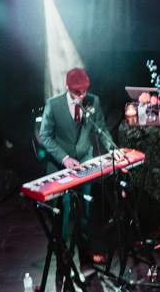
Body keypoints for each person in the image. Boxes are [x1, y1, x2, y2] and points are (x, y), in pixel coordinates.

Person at [37, 67, 115, 262]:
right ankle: (63, 253)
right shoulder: (53, 105)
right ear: (67, 87)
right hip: (60, 163)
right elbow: (45, 136)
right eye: (77, 92)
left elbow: (101, 129)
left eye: (84, 92)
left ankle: (85, 249)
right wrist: (64, 158)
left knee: (85, 207)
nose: (82, 96)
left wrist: (113, 149)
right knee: (63, 209)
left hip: (85, 161)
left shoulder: (93, 101)